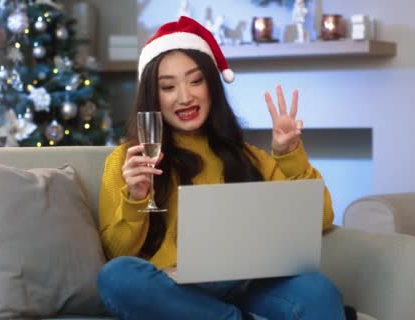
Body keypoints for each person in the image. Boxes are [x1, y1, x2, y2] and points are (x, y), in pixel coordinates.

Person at [97, 16, 345, 320]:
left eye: (196, 80)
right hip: (173, 291)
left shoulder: (248, 157)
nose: (185, 96)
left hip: (246, 284)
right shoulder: (127, 160)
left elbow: (320, 218)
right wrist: (136, 197)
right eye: (168, 87)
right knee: (116, 276)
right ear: (154, 96)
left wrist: (289, 154)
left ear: (212, 85)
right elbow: (117, 254)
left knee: (317, 290)